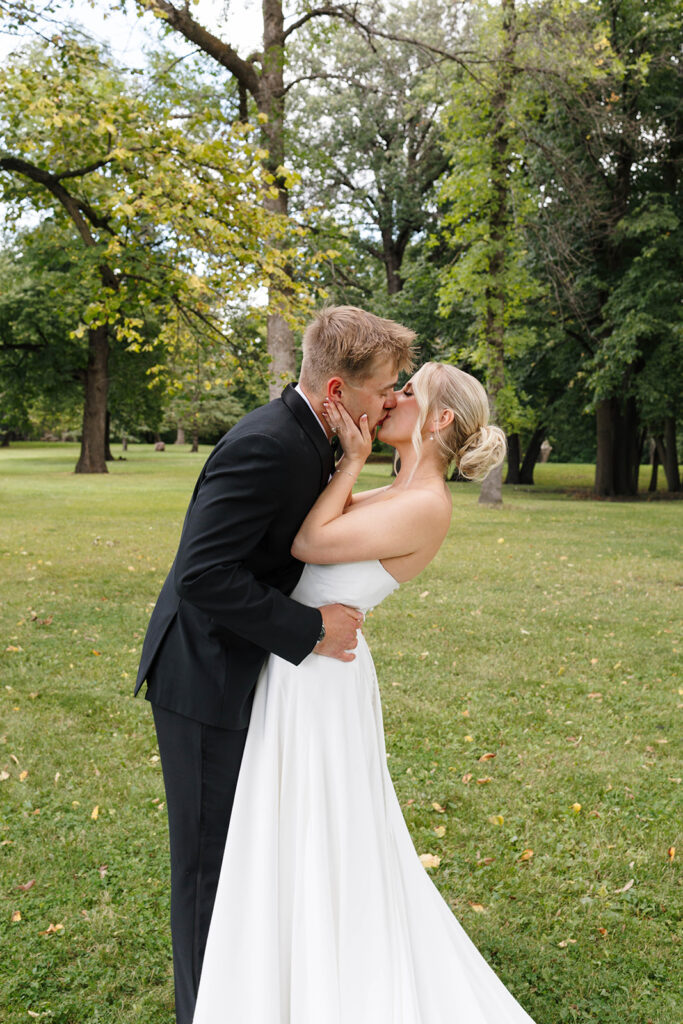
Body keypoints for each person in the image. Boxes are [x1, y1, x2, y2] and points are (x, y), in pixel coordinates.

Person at [191, 362, 539, 1023]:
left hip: (322, 682)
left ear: (437, 419)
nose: (391, 398)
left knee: (325, 829)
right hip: (304, 666)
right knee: (293, 823)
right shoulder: (399, 489)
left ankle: (333, 971)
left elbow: (308, 540)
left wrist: (348, 459)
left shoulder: (423, 505)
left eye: (408, 392)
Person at [134, 306, 416, 1024]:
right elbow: (201, 573)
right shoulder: (265, 443)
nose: (389, 399)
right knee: (208, 866)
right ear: (334, 390)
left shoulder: (316, 435)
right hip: (204, 676)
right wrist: (308, 628)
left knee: (243, 858)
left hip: (248, 670)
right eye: (383, 386)